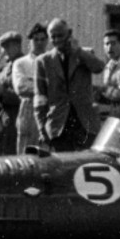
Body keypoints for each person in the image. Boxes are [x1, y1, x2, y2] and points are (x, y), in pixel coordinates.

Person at [35, 18, 106, 153]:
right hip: (58, 125)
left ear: (69, 34)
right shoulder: (43, 61)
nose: (56, 40)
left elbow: (99, 67)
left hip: (85, 123)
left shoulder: (84, 54)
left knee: (87, 164)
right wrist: (42, 129)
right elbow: (39, 99)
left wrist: (78, 51)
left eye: (60, 35)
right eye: (52, 37)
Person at [12, 23, 48, 153]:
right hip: (29, 109)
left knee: (47, 152)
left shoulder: (52, 61)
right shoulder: (21, 63)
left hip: (48, 110)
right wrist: (46, 86)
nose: (39, 42)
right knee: (25, 153)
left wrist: (33, 83)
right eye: (35, 39)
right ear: (29, 42)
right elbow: (21, 87)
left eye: (42, 39)